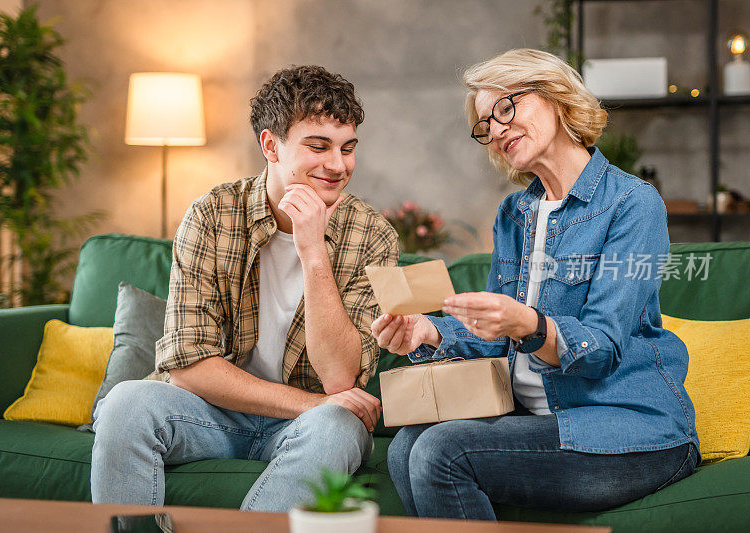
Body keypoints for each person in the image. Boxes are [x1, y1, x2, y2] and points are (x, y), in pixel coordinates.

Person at [371, 49, 700, 521]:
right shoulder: (514, 214)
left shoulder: (633, 204)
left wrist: (528, 324)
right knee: (407, 447)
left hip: (626, 425)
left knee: (443, 450)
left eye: (507, 107)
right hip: (533, 420)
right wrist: (432, 332)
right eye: (486, 124)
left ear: (557, 97)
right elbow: (495, 335)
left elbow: (602, 347)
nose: (497, 130)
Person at [91, 65, 399, 511]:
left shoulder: (372, 235)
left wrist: (313, 250)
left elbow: (339, 379)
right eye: (318, 146)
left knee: (340, 428)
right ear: (270, 145)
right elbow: (187, 367)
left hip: (307, 430)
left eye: (347, 148)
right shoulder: (212, 215)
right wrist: (311, 404)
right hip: (209, 416)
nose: (338, 165)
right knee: (125, 404)